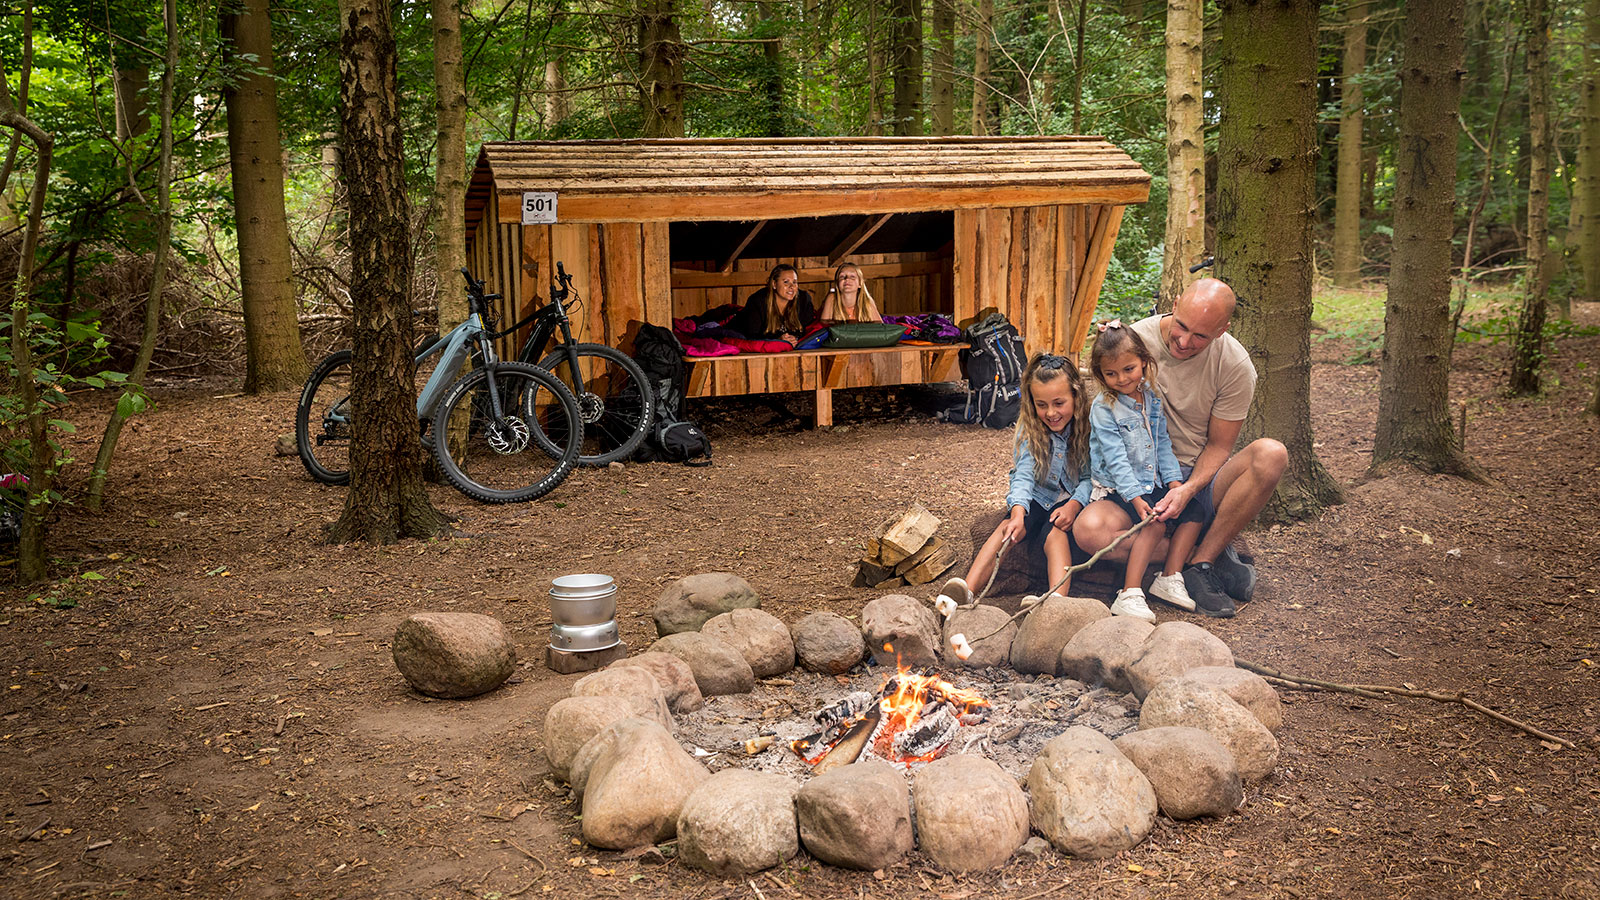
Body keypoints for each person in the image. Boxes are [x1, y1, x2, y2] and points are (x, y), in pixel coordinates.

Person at [1071, 278, 1288, 618]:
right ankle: (1195, 556)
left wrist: (1185, 489)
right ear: (1174, 304)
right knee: (1088, 532)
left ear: (1222, 330)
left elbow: (1219, 447)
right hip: (1139, 479)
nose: (1184, 342)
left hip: (1194, 477)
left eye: (1200, 336)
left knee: (1272, 454)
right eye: (1182, 327)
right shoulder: (1134, 342)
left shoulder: (1234, 365)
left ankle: (1200, 563)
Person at [938, 353, 1092, 608]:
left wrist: (1074, 505)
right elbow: (1023, 473)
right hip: (1038, 495)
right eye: (1041, 404)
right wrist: (1018, 512)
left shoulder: (1088, 428)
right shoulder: (1030, 427)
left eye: (1059, 403)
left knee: (1056, 533)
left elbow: (1090, 478)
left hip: (1071, 499)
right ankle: (966, 590)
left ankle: (1057, 602)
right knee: (1006, 528)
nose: (1051, 412)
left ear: (1076, 396)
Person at [1086, 322, 1206, 622]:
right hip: (1119, 486)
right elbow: (1115, 460)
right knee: (1152, 522)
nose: (1121, 379)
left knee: (1195, 511)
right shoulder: (1104, 407)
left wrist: (1175, 484)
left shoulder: (1150, 395)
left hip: (1151, 480)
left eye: (1129, 369)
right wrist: (1137, 498)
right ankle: (1129, 592)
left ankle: (1169, 576)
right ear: (1100, 374)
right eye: (1110, 374)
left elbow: (1162, 443)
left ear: (1143, 360)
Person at [730, 264, 816, 346]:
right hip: (737, 330)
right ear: (774, 284)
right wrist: (777, 340)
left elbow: (810, 330)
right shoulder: (758, 301)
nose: (792, 286)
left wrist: (795, 339)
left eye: (795, 282)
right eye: (786, 282)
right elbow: (751, 336)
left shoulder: (803, 299)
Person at [818, 262, 883, 323]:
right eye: (842, 276)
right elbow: (823, 328)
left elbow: (881, 328)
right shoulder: (832, 299)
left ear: (860, 283)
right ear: (837, 283)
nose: (847, 279)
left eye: (852, 277)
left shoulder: (867, 302)